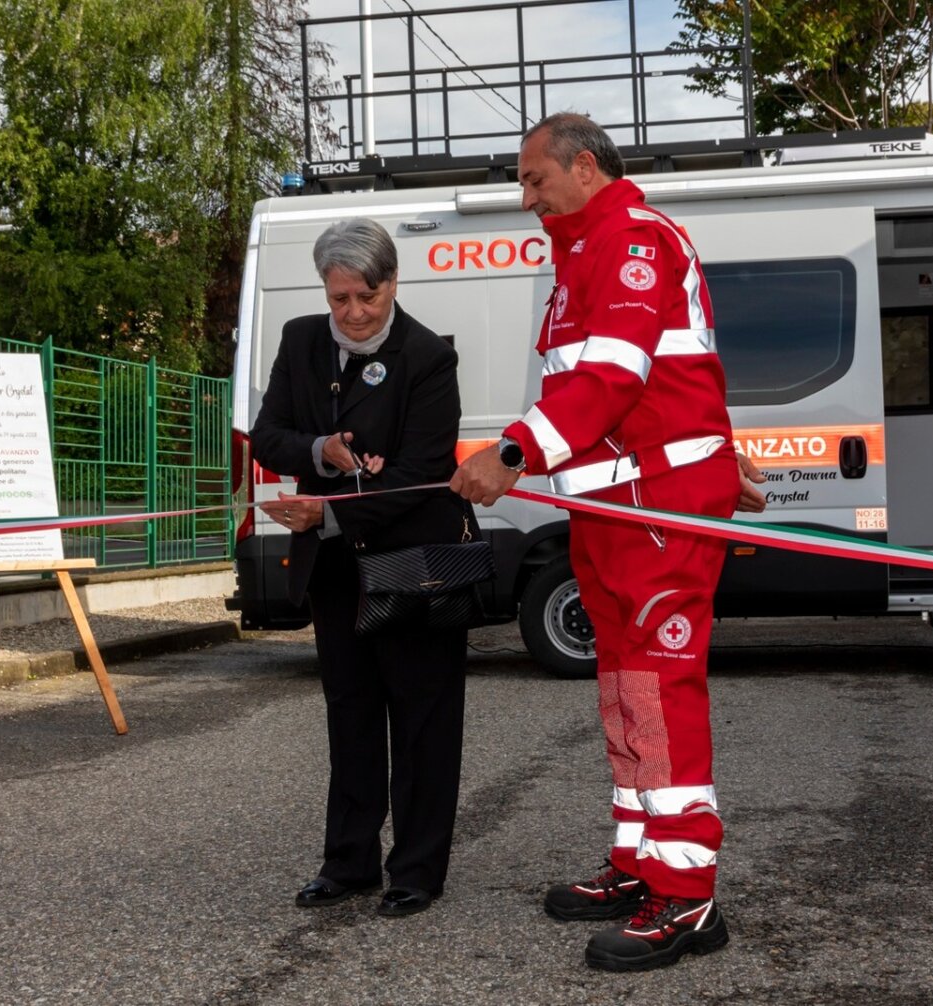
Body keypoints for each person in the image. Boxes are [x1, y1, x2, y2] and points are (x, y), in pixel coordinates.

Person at [450, 113, 766, 972]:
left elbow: (615, 375)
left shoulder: (632, 238)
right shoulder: (581, 252)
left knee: (660, 688)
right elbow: (680, 369)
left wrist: (513, 451)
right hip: (617, 508)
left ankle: (689, 897)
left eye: (534, 180)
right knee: (628, 687)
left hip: (655, 504)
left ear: (583, 168)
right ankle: (639, 863)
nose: (527, 199)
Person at [251, 217, 474, 918]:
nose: (351, 312)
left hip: (414, 564)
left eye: (366, 297)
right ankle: (348, 862)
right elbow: (268, 436)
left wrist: (333, 512)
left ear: (392, 283)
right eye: (339, 296)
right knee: (349, 717)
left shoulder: (430, 358)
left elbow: (420, 473)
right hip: (336, 571)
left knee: (421, 719)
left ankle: (416, 869)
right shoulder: (300, 339)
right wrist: (321, 450)